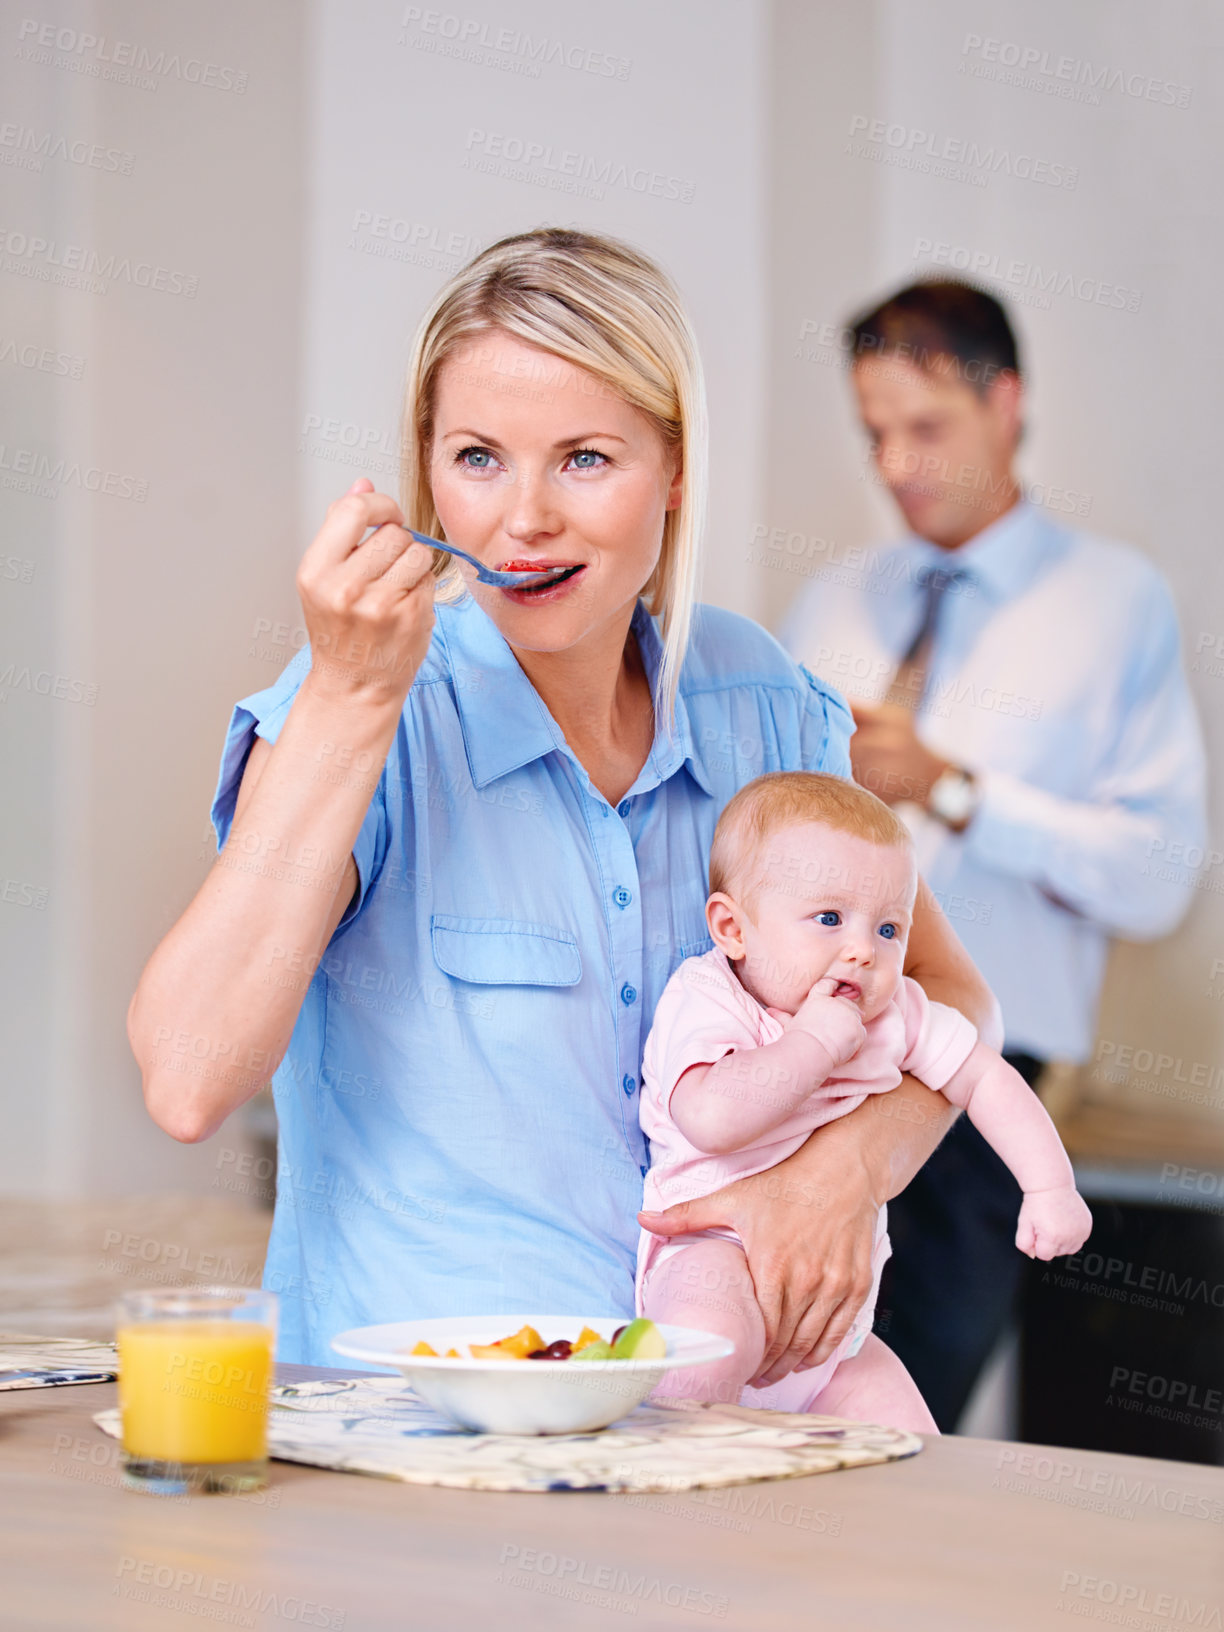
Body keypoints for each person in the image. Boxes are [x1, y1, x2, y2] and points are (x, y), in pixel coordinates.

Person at [127, 229, 998, 1376]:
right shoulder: (361, 708)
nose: (523, 517)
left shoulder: (764, 701)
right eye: (478, 458)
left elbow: (950, 993)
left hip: (708, 1439)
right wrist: (346, 699)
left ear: (676, 469)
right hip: (416, 1447)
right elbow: (189, 1078)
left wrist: (840, 1174)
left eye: (584, 458)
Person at [778, 279, 1207, 1428]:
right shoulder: (831, 603)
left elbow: (1158, 877)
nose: (898, 465)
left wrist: (958, 791)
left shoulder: (1116, 604)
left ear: (1006, 403)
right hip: (801, 1085)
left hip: (979, 1104)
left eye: (927, 428)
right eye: (875, 433)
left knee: (897, 1426)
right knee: (771, 1412)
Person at [637, 771, 1092, 1431]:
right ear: (732, 929)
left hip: (831, 1336)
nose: (862, 951)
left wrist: (1048, 1185)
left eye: (888, 929)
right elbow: (710, 1118)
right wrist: (811, 1045)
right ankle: (672, 1499)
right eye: (829, 919)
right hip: (710, 1252)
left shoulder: (896, 1013)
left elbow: (986, 1077)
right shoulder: (710, 997)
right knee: (706, 1353)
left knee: (913, 1442)